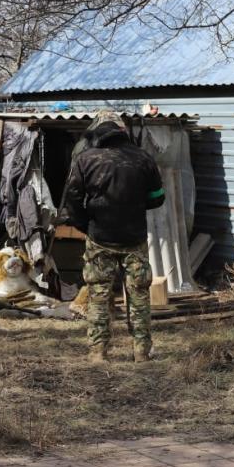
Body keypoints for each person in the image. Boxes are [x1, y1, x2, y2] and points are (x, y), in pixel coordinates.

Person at [64, 114, 165, 363]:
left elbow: (71, 201)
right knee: (139, 294)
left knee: (98, 294)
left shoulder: (85, 159)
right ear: (123, 130)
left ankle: (98, 352)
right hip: (135, 237)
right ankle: (141, 351)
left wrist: (87, 225)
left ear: (98, 130)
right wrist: (136, 205)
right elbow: (158, 197)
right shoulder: (143, 158)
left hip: (100, 237)